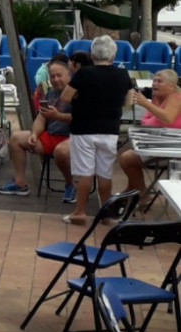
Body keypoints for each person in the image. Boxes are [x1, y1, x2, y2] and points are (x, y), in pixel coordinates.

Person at [61, 35, 133, 225]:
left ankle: (80, 212)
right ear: (113, 55)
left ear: (92, 55)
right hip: (109, 129)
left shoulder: (84, 74)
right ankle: (106, 214)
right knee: (104, 173)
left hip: (83, 128)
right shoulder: (123, 75)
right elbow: (128, 102)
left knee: (84, 173)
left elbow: (66, 97)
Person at [0, 60, 74, 202]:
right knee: (16, 138)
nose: (55, 79)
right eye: (52, 76)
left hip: (71, 138)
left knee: (61, 151)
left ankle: (71, 184)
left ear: (69, 75)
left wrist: (58, 116)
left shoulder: (76, 94)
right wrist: (34, 134)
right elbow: (40, 119)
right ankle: (20, 183)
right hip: (50, 136)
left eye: (59, 75)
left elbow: (81, 118)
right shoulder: (50, 95)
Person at [119, 69, 181, 200]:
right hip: (156, 144)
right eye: (154, 80)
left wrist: (145, 104)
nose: (155, 84)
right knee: (128, 157)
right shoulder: (157, 97)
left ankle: (141, 194)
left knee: (127, 159)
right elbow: (147, 120)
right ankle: (136, 190)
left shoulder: (175, 98)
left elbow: (168, 119)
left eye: (160, 81)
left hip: (172, 151)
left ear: (171, 87)